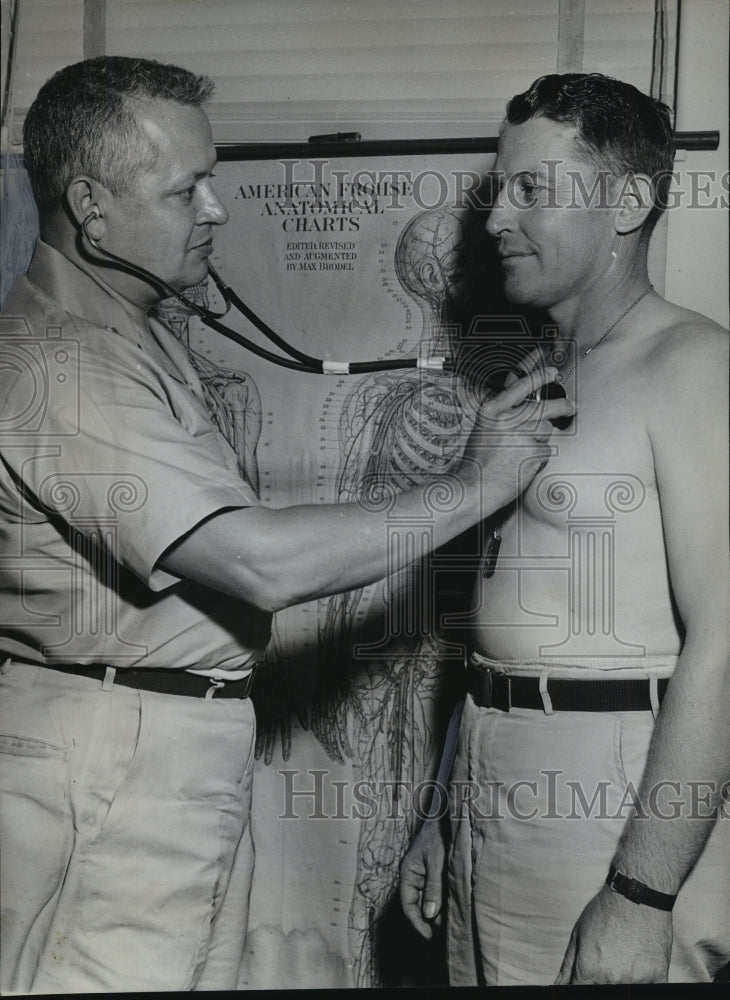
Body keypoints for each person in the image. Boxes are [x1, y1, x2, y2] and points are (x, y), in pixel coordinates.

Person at [0, 56, 572, 994]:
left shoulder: (128, 334)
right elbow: (255, 562)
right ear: (91, 210)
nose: (216, 210)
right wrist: (477, 483)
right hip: (113, 758)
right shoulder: (66, 369)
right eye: (188, 189)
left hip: (164, 742)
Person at [399, 72, 730, 987]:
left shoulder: (694, 366)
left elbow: (726, 643)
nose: (497, 218)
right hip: (494, 769)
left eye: (532, 189)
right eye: (499, 188)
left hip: (613, 798)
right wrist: (442, 811)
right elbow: (510, 619)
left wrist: (642, 895)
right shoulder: (537, 378)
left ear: (626, 203)